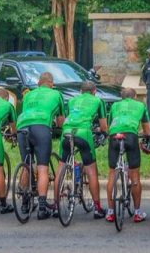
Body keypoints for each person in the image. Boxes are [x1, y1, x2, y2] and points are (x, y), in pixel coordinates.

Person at [54, 81, 107, 219]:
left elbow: (64, 119)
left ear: (80, 91)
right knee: (91, 170)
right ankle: (97, 208)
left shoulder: (71, 101)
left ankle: (55, 206)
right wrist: (100, 131)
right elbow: (104, 126)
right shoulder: (98, 101)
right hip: (84, 132)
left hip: (67, 131)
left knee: (61, 166)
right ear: (94, 91)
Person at [16, 72, 65, 220]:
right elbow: (61, 120)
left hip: (22, 127)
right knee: (42, 168)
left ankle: (25, 202)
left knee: (27, 164)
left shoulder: (28, 95)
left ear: (38, 83)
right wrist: (57, 126)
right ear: (51, 83)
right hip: (41, 127)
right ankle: (42, 207)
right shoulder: (56, 94)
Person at [106, 88, 150, 223]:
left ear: (121, 97)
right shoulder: (140, 105)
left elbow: (109, 127)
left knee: (112, 174)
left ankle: (110, 212)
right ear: (135, 96)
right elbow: (147, 131)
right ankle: (137, 212)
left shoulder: (115, 106)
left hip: (115, 136)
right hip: (131, 137)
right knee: (135, 175)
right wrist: (144, 138)